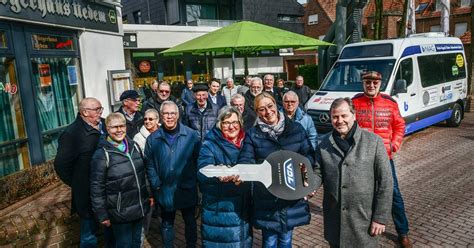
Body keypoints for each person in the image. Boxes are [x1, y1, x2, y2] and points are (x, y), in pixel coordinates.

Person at [312, 97, 393, 248]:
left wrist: (380, 217)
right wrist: (310, 186)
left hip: (364, 221)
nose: (340, 121)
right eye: (335, 117)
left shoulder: (374, 142)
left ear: (354, 115)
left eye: (344, 116)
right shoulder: (323, 144)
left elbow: (386, 182)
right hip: (336, 222)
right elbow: (318, 171)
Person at [239, 92, 313, 248]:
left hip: (291, 194)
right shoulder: (253, 134)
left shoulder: (296, 129)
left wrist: (305, 181)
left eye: (270, 106)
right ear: (257, 112)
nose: (267, 112)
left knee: (286, 239)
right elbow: (246, 160)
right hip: (267, 196)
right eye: (261, 109)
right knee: (269, 240)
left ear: (275, 104)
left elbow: (308, 157)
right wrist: (246, 172)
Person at [352, 70, 411, 247]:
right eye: (367, 82)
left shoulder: (390, 103)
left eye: (375, 83)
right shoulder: (354, 102)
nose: (371, 85)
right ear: (363, 83)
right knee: (362, 195)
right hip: (361, 158)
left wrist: (394, 145)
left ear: (380, 84)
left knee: (393, 195)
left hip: (385, 158)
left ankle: (403, 232)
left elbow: (400, 125)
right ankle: (365, 228)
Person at [54, 97, 111, 247]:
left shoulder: (105, 124)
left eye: (101, 109)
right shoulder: (71, 134)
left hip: (109, 187)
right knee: (89, 232)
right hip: (87, 192)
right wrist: (79, 182)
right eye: (97, 109)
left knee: (110, 229)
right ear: (85, 112)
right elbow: (61, 165)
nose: (100, 112)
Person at [90, 113, 152, 247]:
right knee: (124, 244)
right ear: (107, 128)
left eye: (122, 126)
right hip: (120, 212)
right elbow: (96, 187)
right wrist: (102, 214)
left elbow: (143, 173)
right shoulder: (102, 154)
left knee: (136, 242)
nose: (119, 130)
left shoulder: (134, 146)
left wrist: (149, 195)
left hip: (138, 206)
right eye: (114, 127)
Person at [145, 101, 200, 248]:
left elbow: (198, 160)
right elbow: (149, 165)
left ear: (178, 115)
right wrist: (156, 184)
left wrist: (195, 181)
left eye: (172, 113)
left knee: (190, 222)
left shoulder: (191, 135)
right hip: (165, 189)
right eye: (166, 113)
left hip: (186, 187)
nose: (169, 117)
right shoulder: (152, 139)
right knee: (167, 223)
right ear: (161, 116)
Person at [197, 106, 252, 247]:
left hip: (244, 206)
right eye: (226, 123)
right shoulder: (209, 144)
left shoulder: (248, 141)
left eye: (235, 122)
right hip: (219, 207)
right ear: (219, 124)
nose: (231, 126)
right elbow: (202, 170)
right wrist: (217, 173)